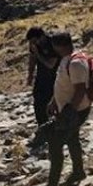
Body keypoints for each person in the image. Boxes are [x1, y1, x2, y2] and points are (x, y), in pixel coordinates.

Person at [46, 31, 91, 186]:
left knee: (56, 147)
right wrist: (53, 101)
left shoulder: (76, 63)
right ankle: (78, 172)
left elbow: (80, 89)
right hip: (69, 109)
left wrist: (69, 111)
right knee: (72, 140)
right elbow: (63, 84)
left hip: (75, 111)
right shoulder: (68, 59)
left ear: (58, 46)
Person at [25, 27, 59, 155]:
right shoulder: (35, 45)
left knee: (51, 104)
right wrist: (30, 75)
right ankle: (42, 131)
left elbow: (51, 64)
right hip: (41, 78)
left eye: (35, 41)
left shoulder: (52, 43)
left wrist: (38, 54)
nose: (34, 44)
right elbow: (32, 59)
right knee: (38, 103)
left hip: (55, 77)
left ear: (41, 37)